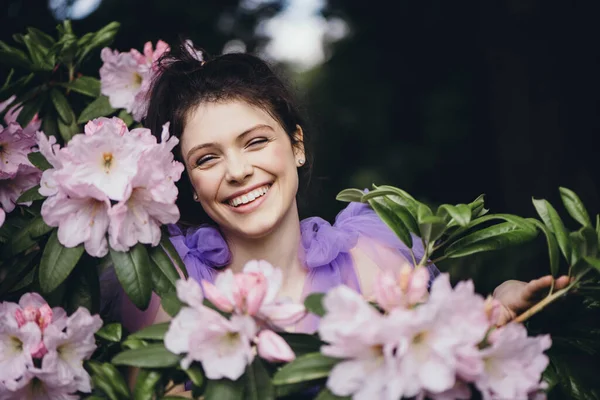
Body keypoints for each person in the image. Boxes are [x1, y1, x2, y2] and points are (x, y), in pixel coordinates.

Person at [115, 41, 569, 337]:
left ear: (297, 146)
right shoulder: (168, 287)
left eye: (255, 142)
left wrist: (493, 315)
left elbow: (436, 353)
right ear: (189, 182)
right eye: (207, 158)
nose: (237, 171)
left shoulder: (374, 259)